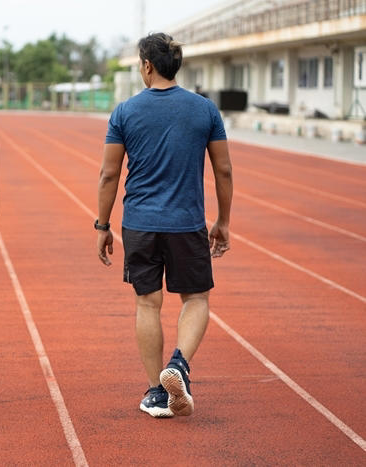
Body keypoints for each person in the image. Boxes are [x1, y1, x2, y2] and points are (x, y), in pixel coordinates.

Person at [95, 33, 233, 418]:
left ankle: (157, 392)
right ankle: (180, 363)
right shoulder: (205, 110)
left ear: (147, 66)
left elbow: (109, 175)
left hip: (139, 223)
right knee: (196, 299)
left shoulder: (124, 112)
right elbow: (223, 169)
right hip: (186, 222)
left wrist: (102, 225)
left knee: (147, 303)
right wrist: (222, 221)